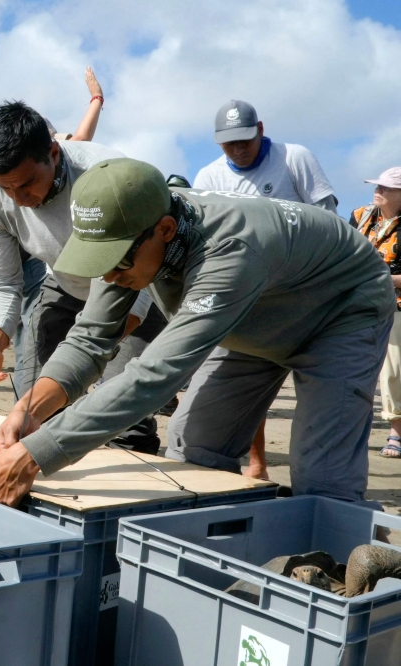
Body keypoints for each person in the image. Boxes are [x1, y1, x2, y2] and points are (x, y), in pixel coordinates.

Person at [0, 158, 394, 508]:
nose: (108, 274)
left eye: (117, 262)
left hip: (339, 313)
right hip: (255, 314)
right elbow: (90, 337)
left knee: (323, 480)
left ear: (165, 231)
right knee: (194, 446)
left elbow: (156, 376)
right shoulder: (124, 235)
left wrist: (37, 454)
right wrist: (28, 412)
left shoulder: (227, 252)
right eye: (98, 259)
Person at [0, 101, 153, 409]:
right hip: (64, 285)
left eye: (26, 185)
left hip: (134, 285)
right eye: (6, 188)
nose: (18, 199)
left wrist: (86, 356)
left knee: (120, 408)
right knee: (31, 406)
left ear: (53, 153)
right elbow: (2, 281)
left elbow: (138, 280)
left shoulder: (109, 178)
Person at [193, 99, 339, 479]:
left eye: (245, 139)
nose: (239, 149)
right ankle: (256, 462)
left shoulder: (294, 158)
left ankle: (314, 480)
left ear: (260, 129)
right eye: (229, 144)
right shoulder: (209, 178)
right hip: (248, 299)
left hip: (307, 295)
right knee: (247, 391)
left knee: (316, 399)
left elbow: (329, 221)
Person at [351, 167, 401, 459]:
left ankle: (397, 432)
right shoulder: (360, 215)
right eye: (377, 185)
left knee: (393, 369)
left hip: (395, 304)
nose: (378, 190)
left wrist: (382, 278)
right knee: (351, 364)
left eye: (387, 187)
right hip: (357, 302)